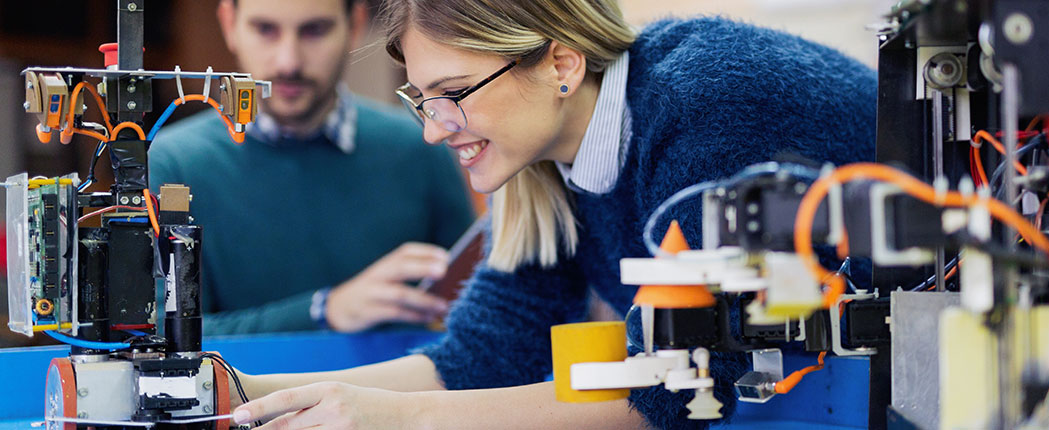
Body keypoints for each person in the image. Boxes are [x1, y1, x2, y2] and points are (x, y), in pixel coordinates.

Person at [229, 0, 876, 428]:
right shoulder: (543, 158)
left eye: (454, 94)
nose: (434, 130)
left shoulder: (706, 103)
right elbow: (483, 355)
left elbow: (675, 389)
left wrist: (401, 417)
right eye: (423, 100)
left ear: (561, 63)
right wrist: (246, 395)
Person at [148, 0, 475, 334]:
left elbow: (472, 309)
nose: (289, 61)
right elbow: (162, 336)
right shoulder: (173, 164)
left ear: (355, 25)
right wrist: (325, 310)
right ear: (230, 25)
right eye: (265, 29)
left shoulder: (422, 146)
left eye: (315, 30)